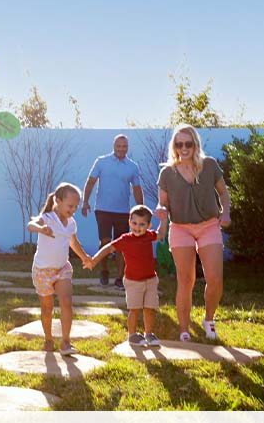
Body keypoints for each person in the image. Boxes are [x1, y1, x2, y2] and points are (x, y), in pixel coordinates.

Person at [154, 124, 231, 342]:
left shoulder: (209, 165)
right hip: (181, 228)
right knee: (186, 279)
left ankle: (209, 319)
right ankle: (184, 329)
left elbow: (223, 194)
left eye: (188, 143)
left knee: (215, 278)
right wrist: (161, 211)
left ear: (195, 144)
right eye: (179, 144)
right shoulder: (167, 173)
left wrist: (226, 213)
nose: (184, 148)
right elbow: (163, 204)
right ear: (174, 146)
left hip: (208, 225)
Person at [27, 182, 94, 356]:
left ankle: (65, 342)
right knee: (47, 309)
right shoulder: (48, 218)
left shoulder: (71, 223)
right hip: (43, 271)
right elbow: (30, 225)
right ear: (58, 201)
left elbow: (73, 242)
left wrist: (84, 257)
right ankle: (48, 339)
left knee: (66, 301)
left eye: (76, 207)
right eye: (70, 206)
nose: (73, 210)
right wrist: (41, 228)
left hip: (62, 268)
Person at [90, 205, 168, 347]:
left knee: (150, 308)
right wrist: (94, 260)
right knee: (135, 309)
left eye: (142, 224)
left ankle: (149, 333)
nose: (137, 227)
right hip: (133, 281)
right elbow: (108, 248)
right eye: (134, 223)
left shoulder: (149, 235)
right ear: (129, 222)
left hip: (150, 279)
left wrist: (163, 220)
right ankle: (132, 335)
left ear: (148, 225)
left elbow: (161, 234)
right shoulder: (125, 239)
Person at [82, 134, 144, 290]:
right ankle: (104, 270)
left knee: (121, 245)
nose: (121, 149)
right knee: (105, 241)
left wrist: (141, 209)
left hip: (123, 212)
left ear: (127, 147)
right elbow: (90, 182)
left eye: (124, 146)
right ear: (113, 146)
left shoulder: (132, 166)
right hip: (102, 209)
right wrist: (85, 202)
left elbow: (137, 189)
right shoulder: (101, 162)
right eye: (118, 146)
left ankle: (119, 277)